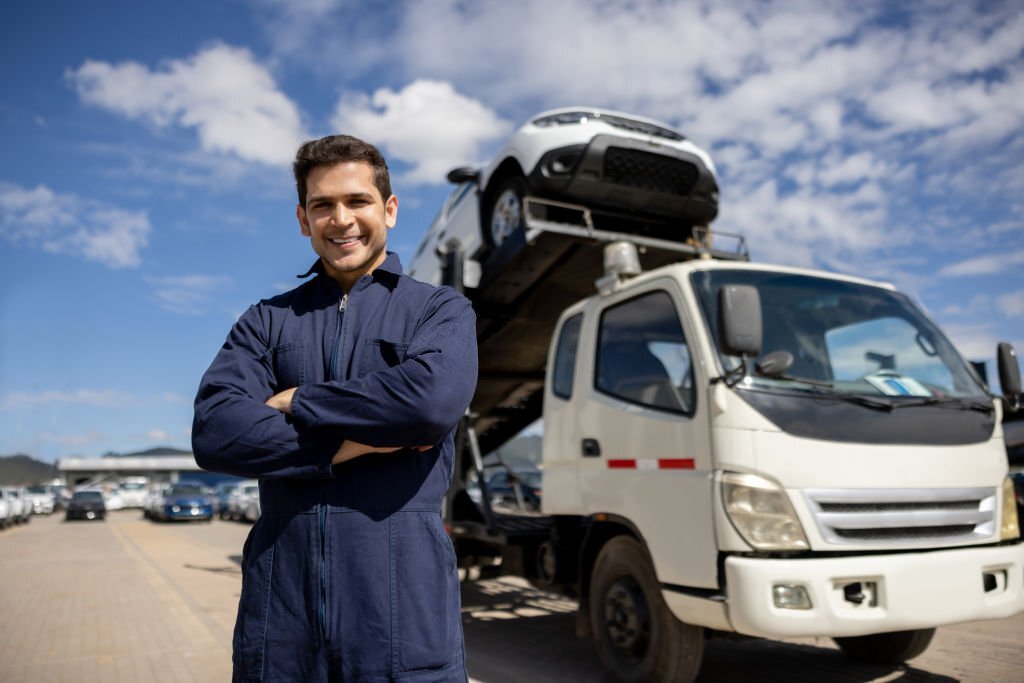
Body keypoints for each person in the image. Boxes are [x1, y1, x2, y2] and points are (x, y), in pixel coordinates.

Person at [192, 134, 478, 682]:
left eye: (357, 201)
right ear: (303, 219)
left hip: (400, 617)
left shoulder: (437, 310)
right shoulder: (267, 321)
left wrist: (299, 399)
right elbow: (215, 432)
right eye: (323, 205)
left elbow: (430, 402)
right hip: (282, 621)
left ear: (389, 210)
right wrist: (361, 441)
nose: (340, 219)